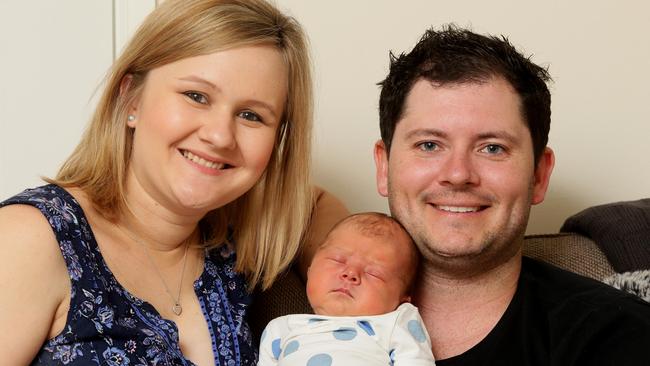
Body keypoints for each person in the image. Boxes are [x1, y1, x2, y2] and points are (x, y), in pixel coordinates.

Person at [0, 0, 315, 365]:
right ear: (131, 97)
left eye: (251, 115)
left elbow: (311, 203)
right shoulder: (31, 239)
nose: (219, 136)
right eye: (196, 96)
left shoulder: (230, 254)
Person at [373, 25, 650, 364]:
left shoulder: (617, 336)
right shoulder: (315, 323)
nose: (458, 174)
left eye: (492, 148)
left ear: (538, 174)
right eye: (429, 145)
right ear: (384, 166)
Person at [258, 212, 435, 366]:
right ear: (310, 270)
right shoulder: (281, 329)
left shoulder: (394, 323)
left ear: (402, 298)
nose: (350, 274)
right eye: (338, 260)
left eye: (374, 273)